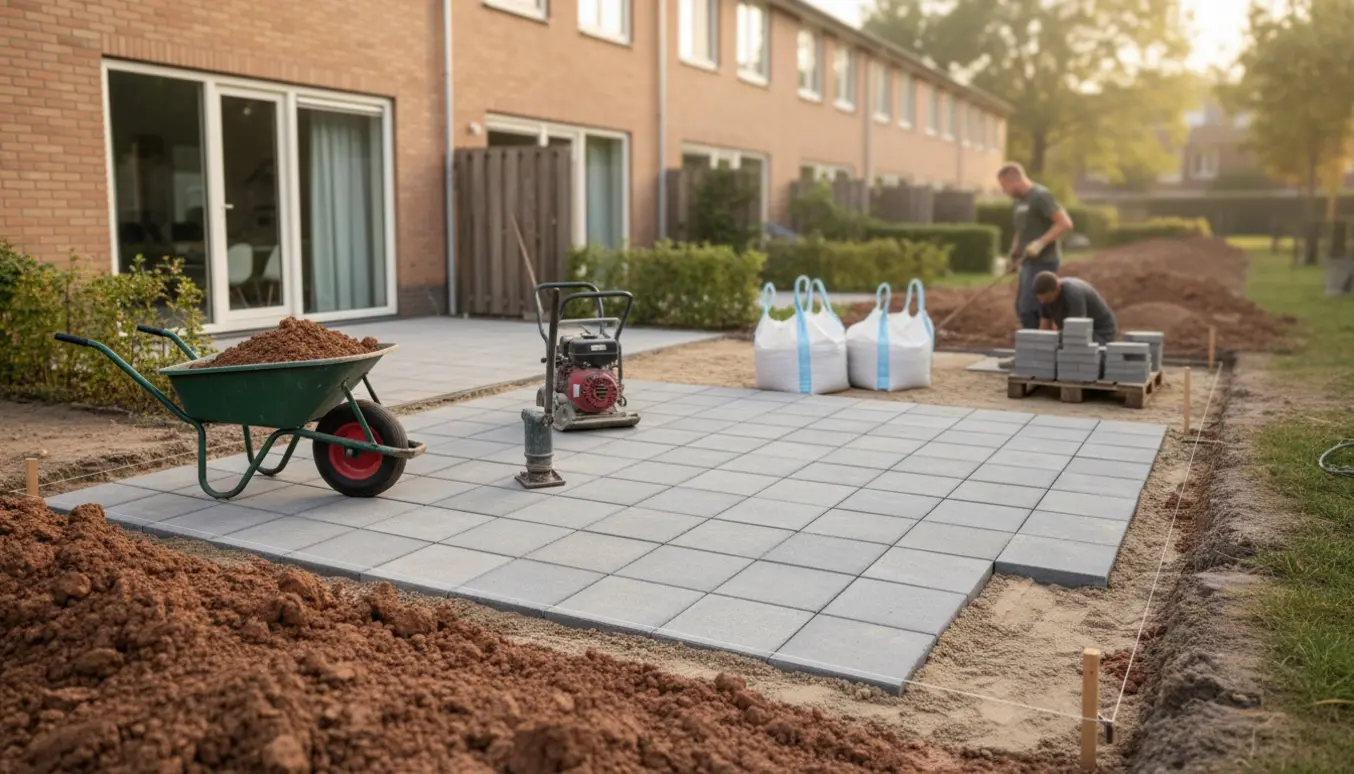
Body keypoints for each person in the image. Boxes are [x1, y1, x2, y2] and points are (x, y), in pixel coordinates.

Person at [997, 163, 1074, 330]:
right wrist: (1012, 256)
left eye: (1004, 186)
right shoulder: (1019, 202)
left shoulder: (1040, 196)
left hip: (1045, 262)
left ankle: (1038, 347)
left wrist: (1040, 243)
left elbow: (1064, 223)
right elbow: (1021, 230)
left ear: (1015, 180)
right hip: (1028, 262)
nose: (1004, 191)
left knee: (1033, 309)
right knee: (1023, 308)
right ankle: (1033, 344)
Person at [1033, 271, 1118, 345]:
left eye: (1048, 299)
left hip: (1100, 331)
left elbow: (1077, 329)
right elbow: (1044, 328)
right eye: (1042, 300)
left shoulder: (1073, 294)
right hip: (1078, 331)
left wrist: (1057, 338)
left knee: (1076, 352)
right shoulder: (1045, 298)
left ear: (1058, 288)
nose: (1045, 303)